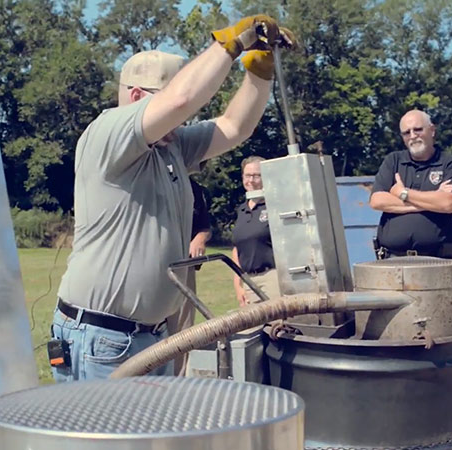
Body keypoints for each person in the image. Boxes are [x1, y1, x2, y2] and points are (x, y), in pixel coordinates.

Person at [49, 15, 295, 381]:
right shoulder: (107, 133)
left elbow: (234, 127)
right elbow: (181, 98)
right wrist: (230, 43)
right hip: (101, 338)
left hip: (153, 336)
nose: (183, 122)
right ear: (135, 98)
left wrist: (259, 69)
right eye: (167, 107)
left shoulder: (171, 147)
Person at [369, 110, 452, 259]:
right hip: (392, 259)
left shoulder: (451, 163)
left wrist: (403, 193)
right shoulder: (393, 161)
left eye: (418, 129)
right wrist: (432, 201)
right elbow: (377, 201)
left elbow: (448, 204)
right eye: (406, 133)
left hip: (437, 260)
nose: (413, 136)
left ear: (432, 130)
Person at [165, 177, 212, 376]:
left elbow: (205, 225)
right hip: (153, 267)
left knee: (182, 329)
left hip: (184, 267)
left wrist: (200, 238)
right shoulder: (148, 178)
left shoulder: (195, 188)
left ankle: (178, 380)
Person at [231, 156, 279, 306]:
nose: (251, 181)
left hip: (272, 278)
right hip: (248, 281)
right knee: (252, 328)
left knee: (276, 325)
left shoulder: (274, 205)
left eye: (256, 176)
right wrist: (238, 285)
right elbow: (237, 249)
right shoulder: (242, 209)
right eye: (247, 176)